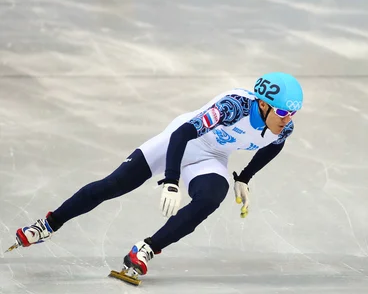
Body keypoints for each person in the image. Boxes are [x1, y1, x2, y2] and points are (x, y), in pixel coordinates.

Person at [9, 72, 303, 279]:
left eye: (292, 114)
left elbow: (273, 146)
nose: (286, 119)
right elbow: (182, 133)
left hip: (211, 157)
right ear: (262, 104)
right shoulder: (233, 108)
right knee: (113, 185)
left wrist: (245, 176)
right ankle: (48, 223)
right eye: (281, 112)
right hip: (179, 143)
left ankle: (146, 249)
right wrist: (172, 180)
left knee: (211, 198)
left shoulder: (283, 125)